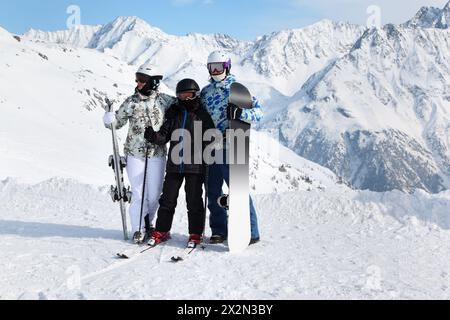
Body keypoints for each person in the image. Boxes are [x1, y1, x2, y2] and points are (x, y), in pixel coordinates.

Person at [103, 62, 176, 244]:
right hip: (135, 153)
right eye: (137, 78)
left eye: (143, 79)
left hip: (157, 153)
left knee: (154, 194)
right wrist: (109, 119)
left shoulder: (165, 101)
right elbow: (116, 124)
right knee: (138, 193)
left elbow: (183, 107)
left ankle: (148, 223)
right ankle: (138, 229)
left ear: (154, 82)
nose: (138, 82)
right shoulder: (131, 101)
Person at [201, 50, 264, 245]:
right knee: (212, 191)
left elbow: (259, 114)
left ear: (227, 67)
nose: (215, 71)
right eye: (211, 68)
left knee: (237, 188)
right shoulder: (205, 92)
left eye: (219, 67)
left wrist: (240, 113)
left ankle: (251, 231)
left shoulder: (237, 90)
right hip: (211, 145)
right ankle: (219, 230)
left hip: (232, 144)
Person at [144, 79, 216, 248]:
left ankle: (195, 233)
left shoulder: (202, 114)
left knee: (194, 201)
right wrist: (154, 137)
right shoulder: (174, 111)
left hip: (196, 166)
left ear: (195, 95)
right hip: (175, 165)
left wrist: (208, 145)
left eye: (188, 95)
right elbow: (164, 135)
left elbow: (211, 136)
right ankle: (162, 230)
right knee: (167, 199)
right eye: (181, 95)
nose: (184, 98)